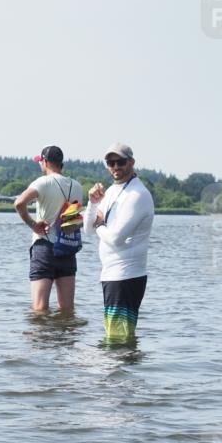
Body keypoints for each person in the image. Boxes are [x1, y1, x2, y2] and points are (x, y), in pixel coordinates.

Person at [84, 143, 154, 341]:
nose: (115, 167)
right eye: (111, 162)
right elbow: (88, 229)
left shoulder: (137, 195)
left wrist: (100, 225)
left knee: (118, 340)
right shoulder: (113, 191)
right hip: (112, 275)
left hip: (126, 276)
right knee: (115, 338)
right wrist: (92, 203)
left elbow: (115, 238)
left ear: (131, 162)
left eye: (120, 162)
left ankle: (120, 370)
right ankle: (121, 372)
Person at [13, 145, 83, 312]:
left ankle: (42, 338)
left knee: (39, 309)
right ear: (61, 163)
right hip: (67, 248)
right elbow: (73, 221)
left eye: (40, 162)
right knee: (67, 310)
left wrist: (33, 224)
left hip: (44, 248)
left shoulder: (42, 182)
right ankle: (64, 337)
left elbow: (19, 203)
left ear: (45, 162)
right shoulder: (77, 186)